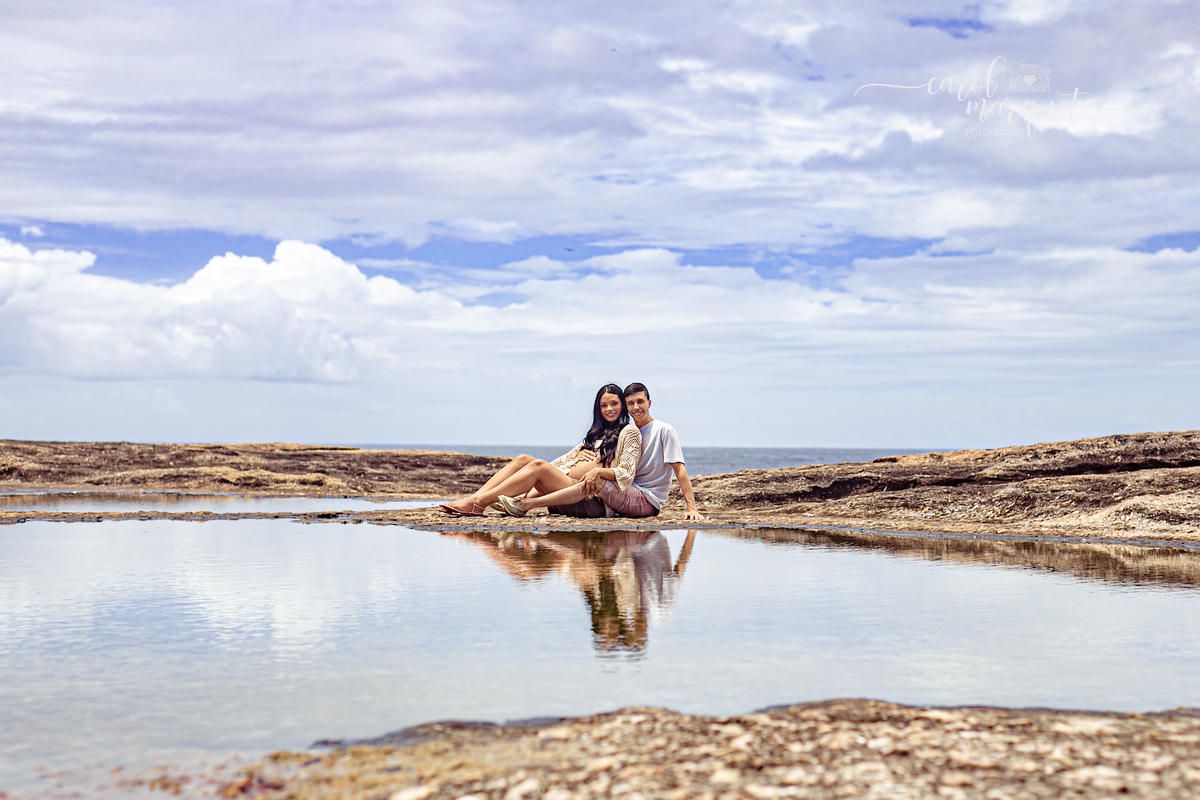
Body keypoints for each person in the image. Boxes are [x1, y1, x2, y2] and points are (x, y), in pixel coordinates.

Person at [504, 382, 705, 520]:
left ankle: (527, 504)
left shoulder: (663, 430)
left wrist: (692, 508)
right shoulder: (625, 433)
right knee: (534, 464)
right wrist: (583, 457)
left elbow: (679, 470)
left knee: (596, 480)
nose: (636, 407)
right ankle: (511, 501)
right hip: (623, 492)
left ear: (649, 403)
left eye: (640, 401)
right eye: (631, 403)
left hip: (647, 499)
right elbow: (572, 459)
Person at [439, 384, 641, 516]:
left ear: (622, 406)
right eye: (604, 405)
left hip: (591, 498)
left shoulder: (628, 431)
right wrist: (578, 458)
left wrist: (597, 469)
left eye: (614, 404)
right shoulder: (597, 433)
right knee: (523, 459)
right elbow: (560, 464)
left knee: (537, 466)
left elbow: (627, 473)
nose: (609, 409)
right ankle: (474, 500)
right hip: (566, 491)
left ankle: (479, 503)